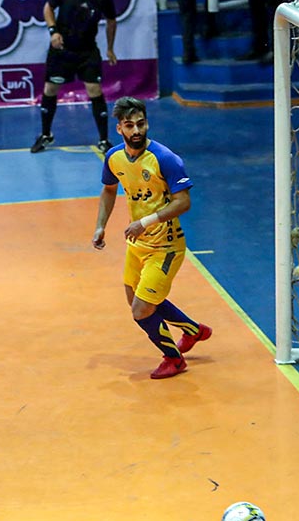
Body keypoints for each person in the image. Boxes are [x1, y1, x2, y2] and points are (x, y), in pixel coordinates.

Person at [91, 96, 212, 379]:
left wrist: (145, 222)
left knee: (141, 309)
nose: (136, 130)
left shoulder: (165, 159)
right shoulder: (114, 158)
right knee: (136, 299)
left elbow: (183, 202)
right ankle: (193, 331)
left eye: (141, 124)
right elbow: (109, 190)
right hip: (138, 245)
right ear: (119, 128)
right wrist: (100, 226)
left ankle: (174, 359)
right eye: (129, 125)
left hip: (166, 246)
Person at [30, 0, 117, 155]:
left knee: (94, 90)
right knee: (50, 89)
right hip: (62, 50)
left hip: (87, 51)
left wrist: (110, 48)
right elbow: (48, 8)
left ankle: (104, 140)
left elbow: (111, 21)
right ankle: (46, 135)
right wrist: (53, 31)